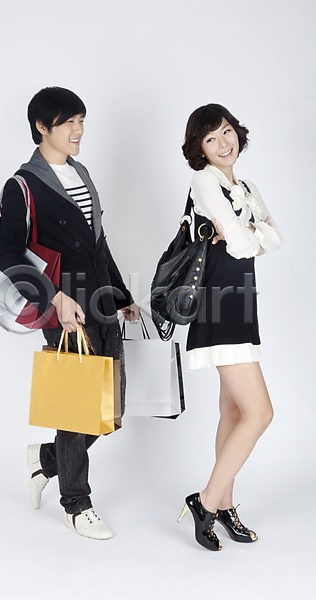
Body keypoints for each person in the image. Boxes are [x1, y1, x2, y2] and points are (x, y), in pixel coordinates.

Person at [0, 86, 139, 540]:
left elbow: (98, 243)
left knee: (110, 408)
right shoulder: (22, 185)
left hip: (101, 301)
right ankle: (76, 505)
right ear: (42, 126)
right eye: (68, 122)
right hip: (65, 309)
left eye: (81, 120)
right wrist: (54, 298)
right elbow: (7, 253)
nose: (78, 130)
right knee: (78, 410)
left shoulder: (81, 173)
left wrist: (121, 295)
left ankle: (44, 459)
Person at [177, 104, 282, 551]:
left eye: (225, 132)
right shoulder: (204, 181)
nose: (223, 143)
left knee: (235, 412)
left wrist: (248, 232)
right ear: (199, 149)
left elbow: (275, 238)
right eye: (210, 139)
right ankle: (205, 502)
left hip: (240, 302)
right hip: (218, 306)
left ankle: (223, 504)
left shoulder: (247, 187)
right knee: (261, 413)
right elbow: (240, 244)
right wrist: (249, 234)